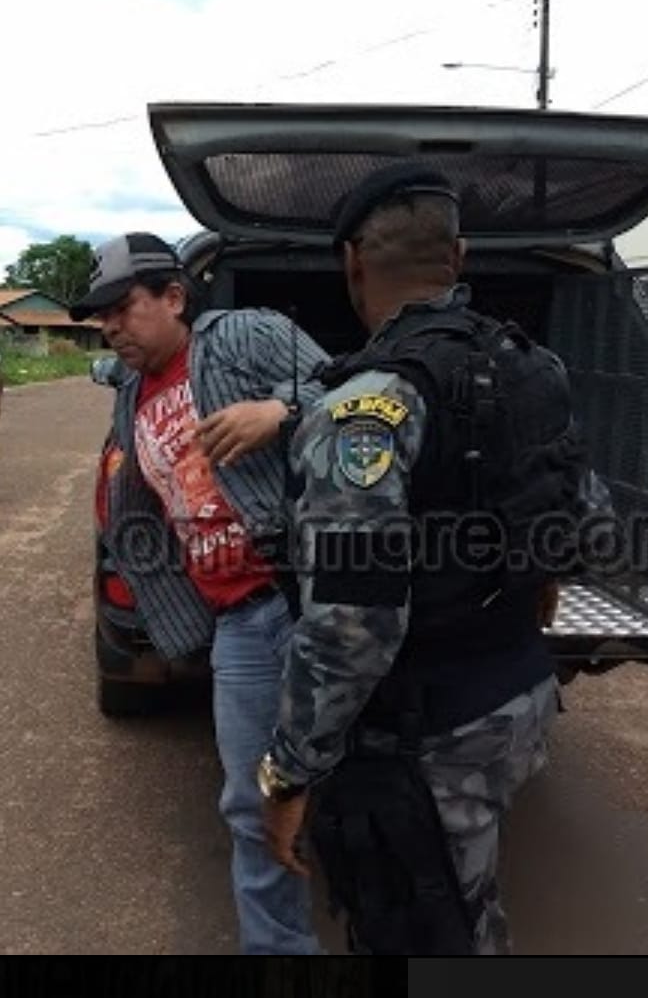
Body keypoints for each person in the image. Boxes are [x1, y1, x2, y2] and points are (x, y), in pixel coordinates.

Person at [257, 163, 608, 954]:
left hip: (426, 731)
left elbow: (354, 624)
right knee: (465, 899)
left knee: (417, 926)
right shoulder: (534, 368)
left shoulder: (362, 409)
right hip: (517, 692)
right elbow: (586, 518)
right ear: (459, 254)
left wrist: (289, 772)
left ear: (351, 262)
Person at [69, 233, 328, 955]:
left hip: (306, 601)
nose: (112, 326)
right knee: (252, 802)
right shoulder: (131, 387)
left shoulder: (241, 337)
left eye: (123, 307)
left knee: (361, 785)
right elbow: (100, 365)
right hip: (238, 626)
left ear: (175, 297)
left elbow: (350, 390)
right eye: (101, 317)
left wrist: (278, 412)